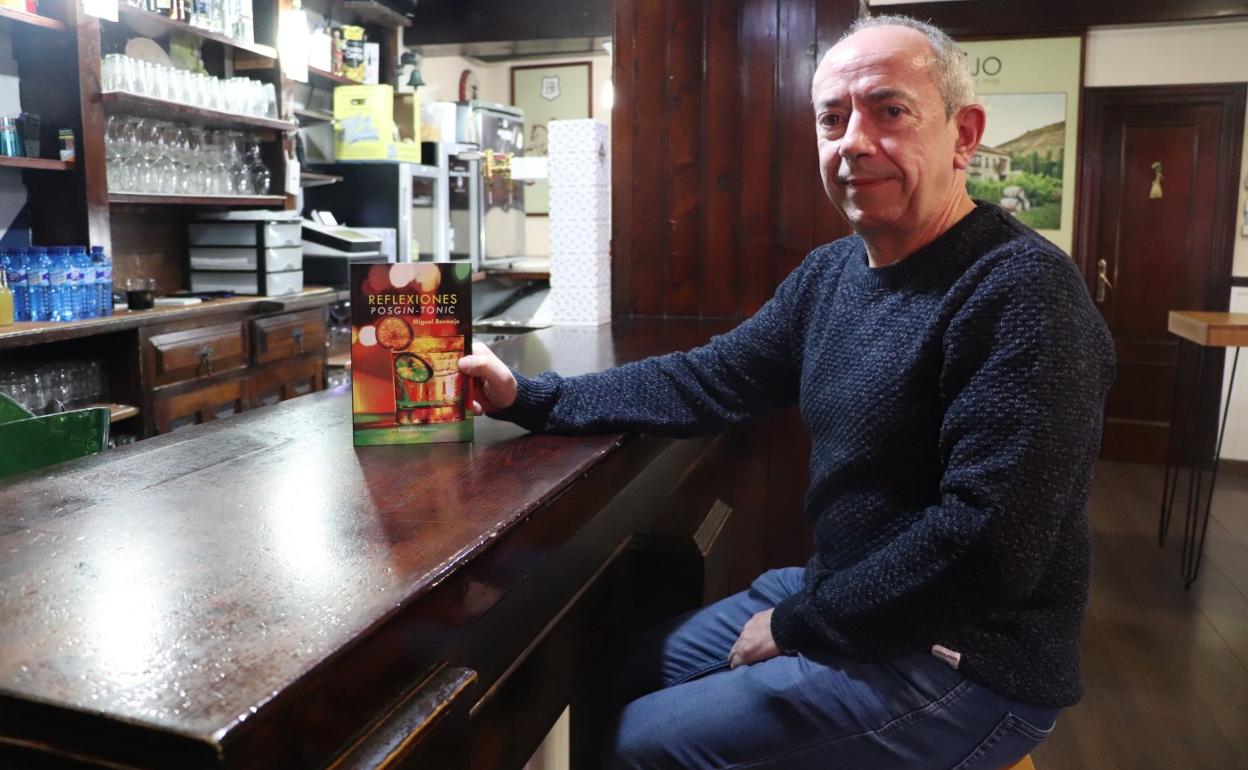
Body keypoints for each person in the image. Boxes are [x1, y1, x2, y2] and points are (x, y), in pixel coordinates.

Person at [458, 14, 1114, 770]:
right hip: (852, 594)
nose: (854, 141)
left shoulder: (1024, 291)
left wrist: (804, 622)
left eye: (890, 111)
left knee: (633, 745)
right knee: (611, 675)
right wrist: (528, 398)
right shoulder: (833, 273)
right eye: (832, 118)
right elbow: (707, 377)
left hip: (966, 662)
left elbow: (990, 549)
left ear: (964, 134)